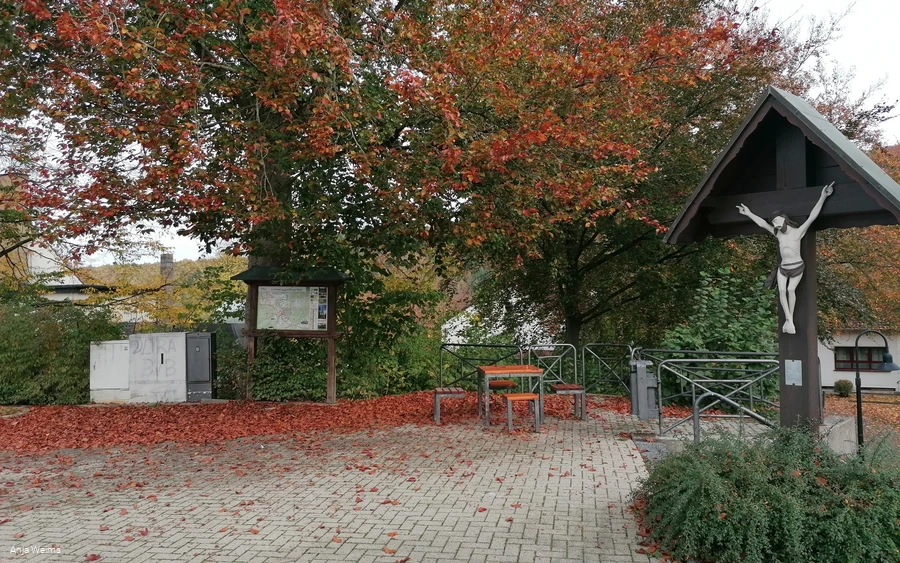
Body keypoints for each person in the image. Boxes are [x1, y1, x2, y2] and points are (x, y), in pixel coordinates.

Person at [736, 182, 834, 334]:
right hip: (783, 267)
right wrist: (748, 213)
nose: (774, 224)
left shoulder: (797, 232)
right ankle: (789, 320)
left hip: (796, 266)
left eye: (776, 220)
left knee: (790, 289)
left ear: (784, 219)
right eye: (773, 222)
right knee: (781, 290)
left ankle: (790, 320)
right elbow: (762, 224)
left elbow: (812, 216)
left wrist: (823, 196)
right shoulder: (778, 234)